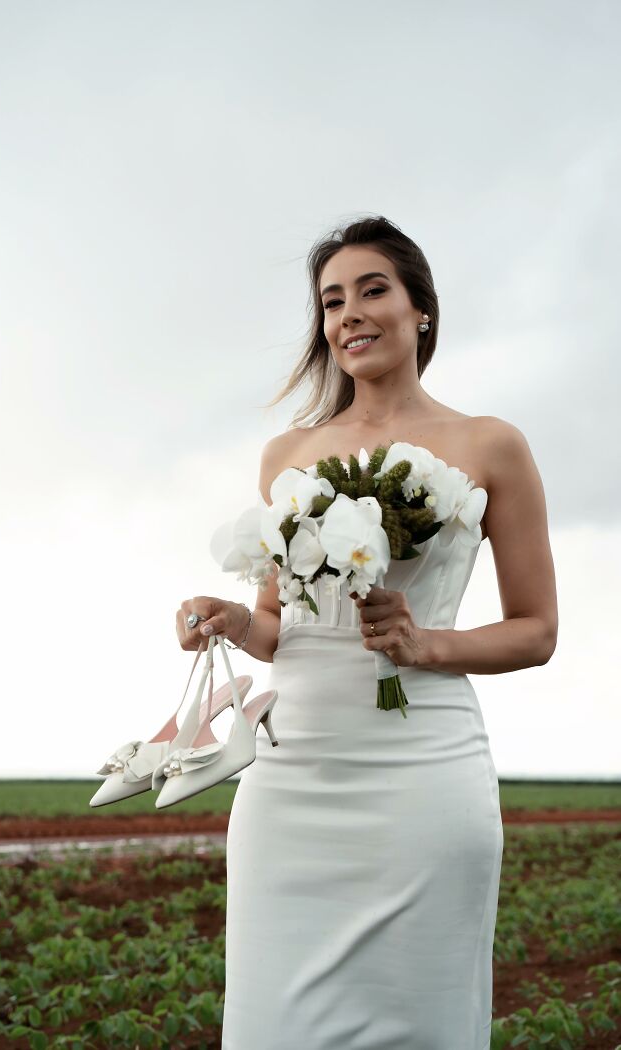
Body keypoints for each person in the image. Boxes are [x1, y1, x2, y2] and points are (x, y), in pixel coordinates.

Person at [175, 215, 558, 1049]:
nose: (349, 313)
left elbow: (536, 631)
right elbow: (282, 625)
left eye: (372, 290)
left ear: (421, 309)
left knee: (421, 1015)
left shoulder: (491, 444)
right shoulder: (289, 454)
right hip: (293, 780)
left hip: (423, 774)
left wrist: (428, 645)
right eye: (331, 300)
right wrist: (238, 619)